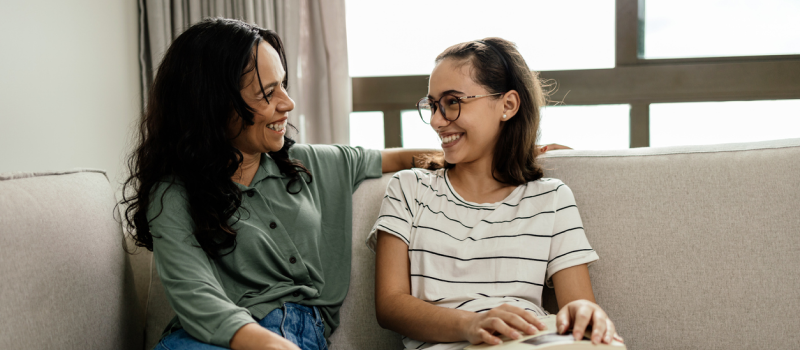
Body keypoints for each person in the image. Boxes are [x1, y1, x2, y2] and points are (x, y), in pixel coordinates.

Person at [121, 18, 425, 350]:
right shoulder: (173, 192)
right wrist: (268, 344)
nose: (287, 103)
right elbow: (194, 293)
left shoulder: (309, 164)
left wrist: (473, 155)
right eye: (268, 93)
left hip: (299, 333)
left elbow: (398, 158)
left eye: (283, 85)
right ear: (214, 105)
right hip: (207, 340)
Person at [369, 38, 623, 350]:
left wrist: (585, 313)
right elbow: (390, 306)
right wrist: (471, 324)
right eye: (433, 105)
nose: (436, 120)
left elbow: (579, 308)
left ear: (507, 105)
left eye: (452, 102)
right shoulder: (409, 189)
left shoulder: (552, 198)